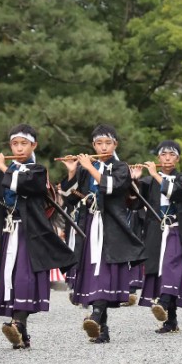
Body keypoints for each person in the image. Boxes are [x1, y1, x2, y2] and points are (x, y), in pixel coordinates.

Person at [0, 124, 78, 349]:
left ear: (34, 145)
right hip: (8, 230)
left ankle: (17, 322)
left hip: (30, 232)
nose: (19, 148)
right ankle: (21, 331)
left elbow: (27, 185)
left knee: (25, 277)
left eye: (24, 143)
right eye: (15, 144)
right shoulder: (2, 171)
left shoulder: (38, 170)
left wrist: (4, 168)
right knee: (11, 277)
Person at [63, 124, 145, 344]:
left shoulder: (120, 167)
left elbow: (112, 188)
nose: (103, 146)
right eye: (99, 143)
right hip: (89, 225)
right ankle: (102, 329)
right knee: (92, 271)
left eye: (108, 143)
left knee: (105, 272)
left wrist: (90, 167)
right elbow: (69, 198)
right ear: (93, 145)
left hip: (111, 227)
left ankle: (96, 315)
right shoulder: (84, 169)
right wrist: (72, 171)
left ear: (115, 144)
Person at [132, 140, 182, 334]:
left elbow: (178, 194)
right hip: (155, 230)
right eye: (163, 155)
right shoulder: (147, 181)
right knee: (158, 271)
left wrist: (153, 173)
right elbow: (135, 204)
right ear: (158, 157)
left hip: (176, 229)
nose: (167, 158)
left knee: (172, 266)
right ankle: (172, 320)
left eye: (172, 155)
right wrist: (134, 180)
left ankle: (163, 302)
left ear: (178, 159)